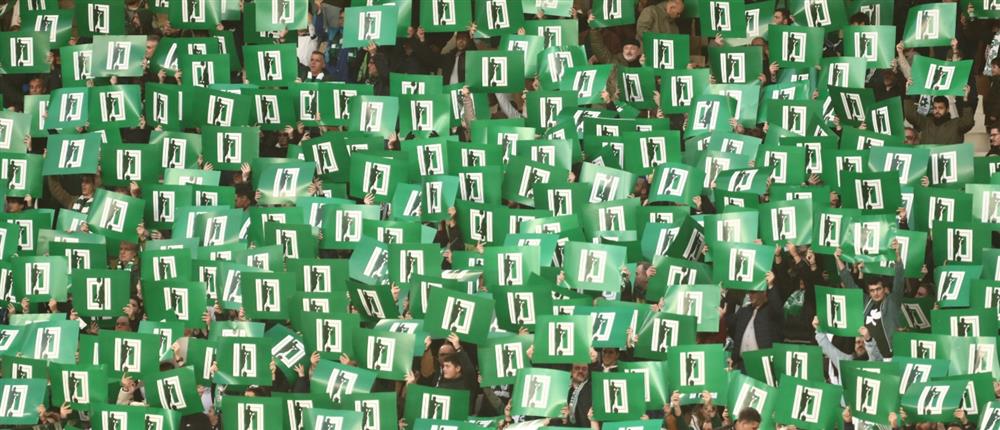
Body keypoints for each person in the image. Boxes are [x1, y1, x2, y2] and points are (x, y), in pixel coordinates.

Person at [835, 240, 904, 358]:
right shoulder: (866, 301)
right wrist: (838, 259)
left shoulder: (892, 301)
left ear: (884, 289)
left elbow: (899, 280)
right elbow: (849, 282)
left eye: (878, 289)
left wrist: (897, 255)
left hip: (891, 356)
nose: (875, 293)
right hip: (872, 356)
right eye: (872, 290)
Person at [903, 83, 975, 145]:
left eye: (940, 108)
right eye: (935, 108)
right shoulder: (926, 123)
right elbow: (910, 115)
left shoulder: (956, 124)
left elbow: (968, 122)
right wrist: (908, 93)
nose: (937, 111)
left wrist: (965, 99)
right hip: (928, 156)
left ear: (947, 109)